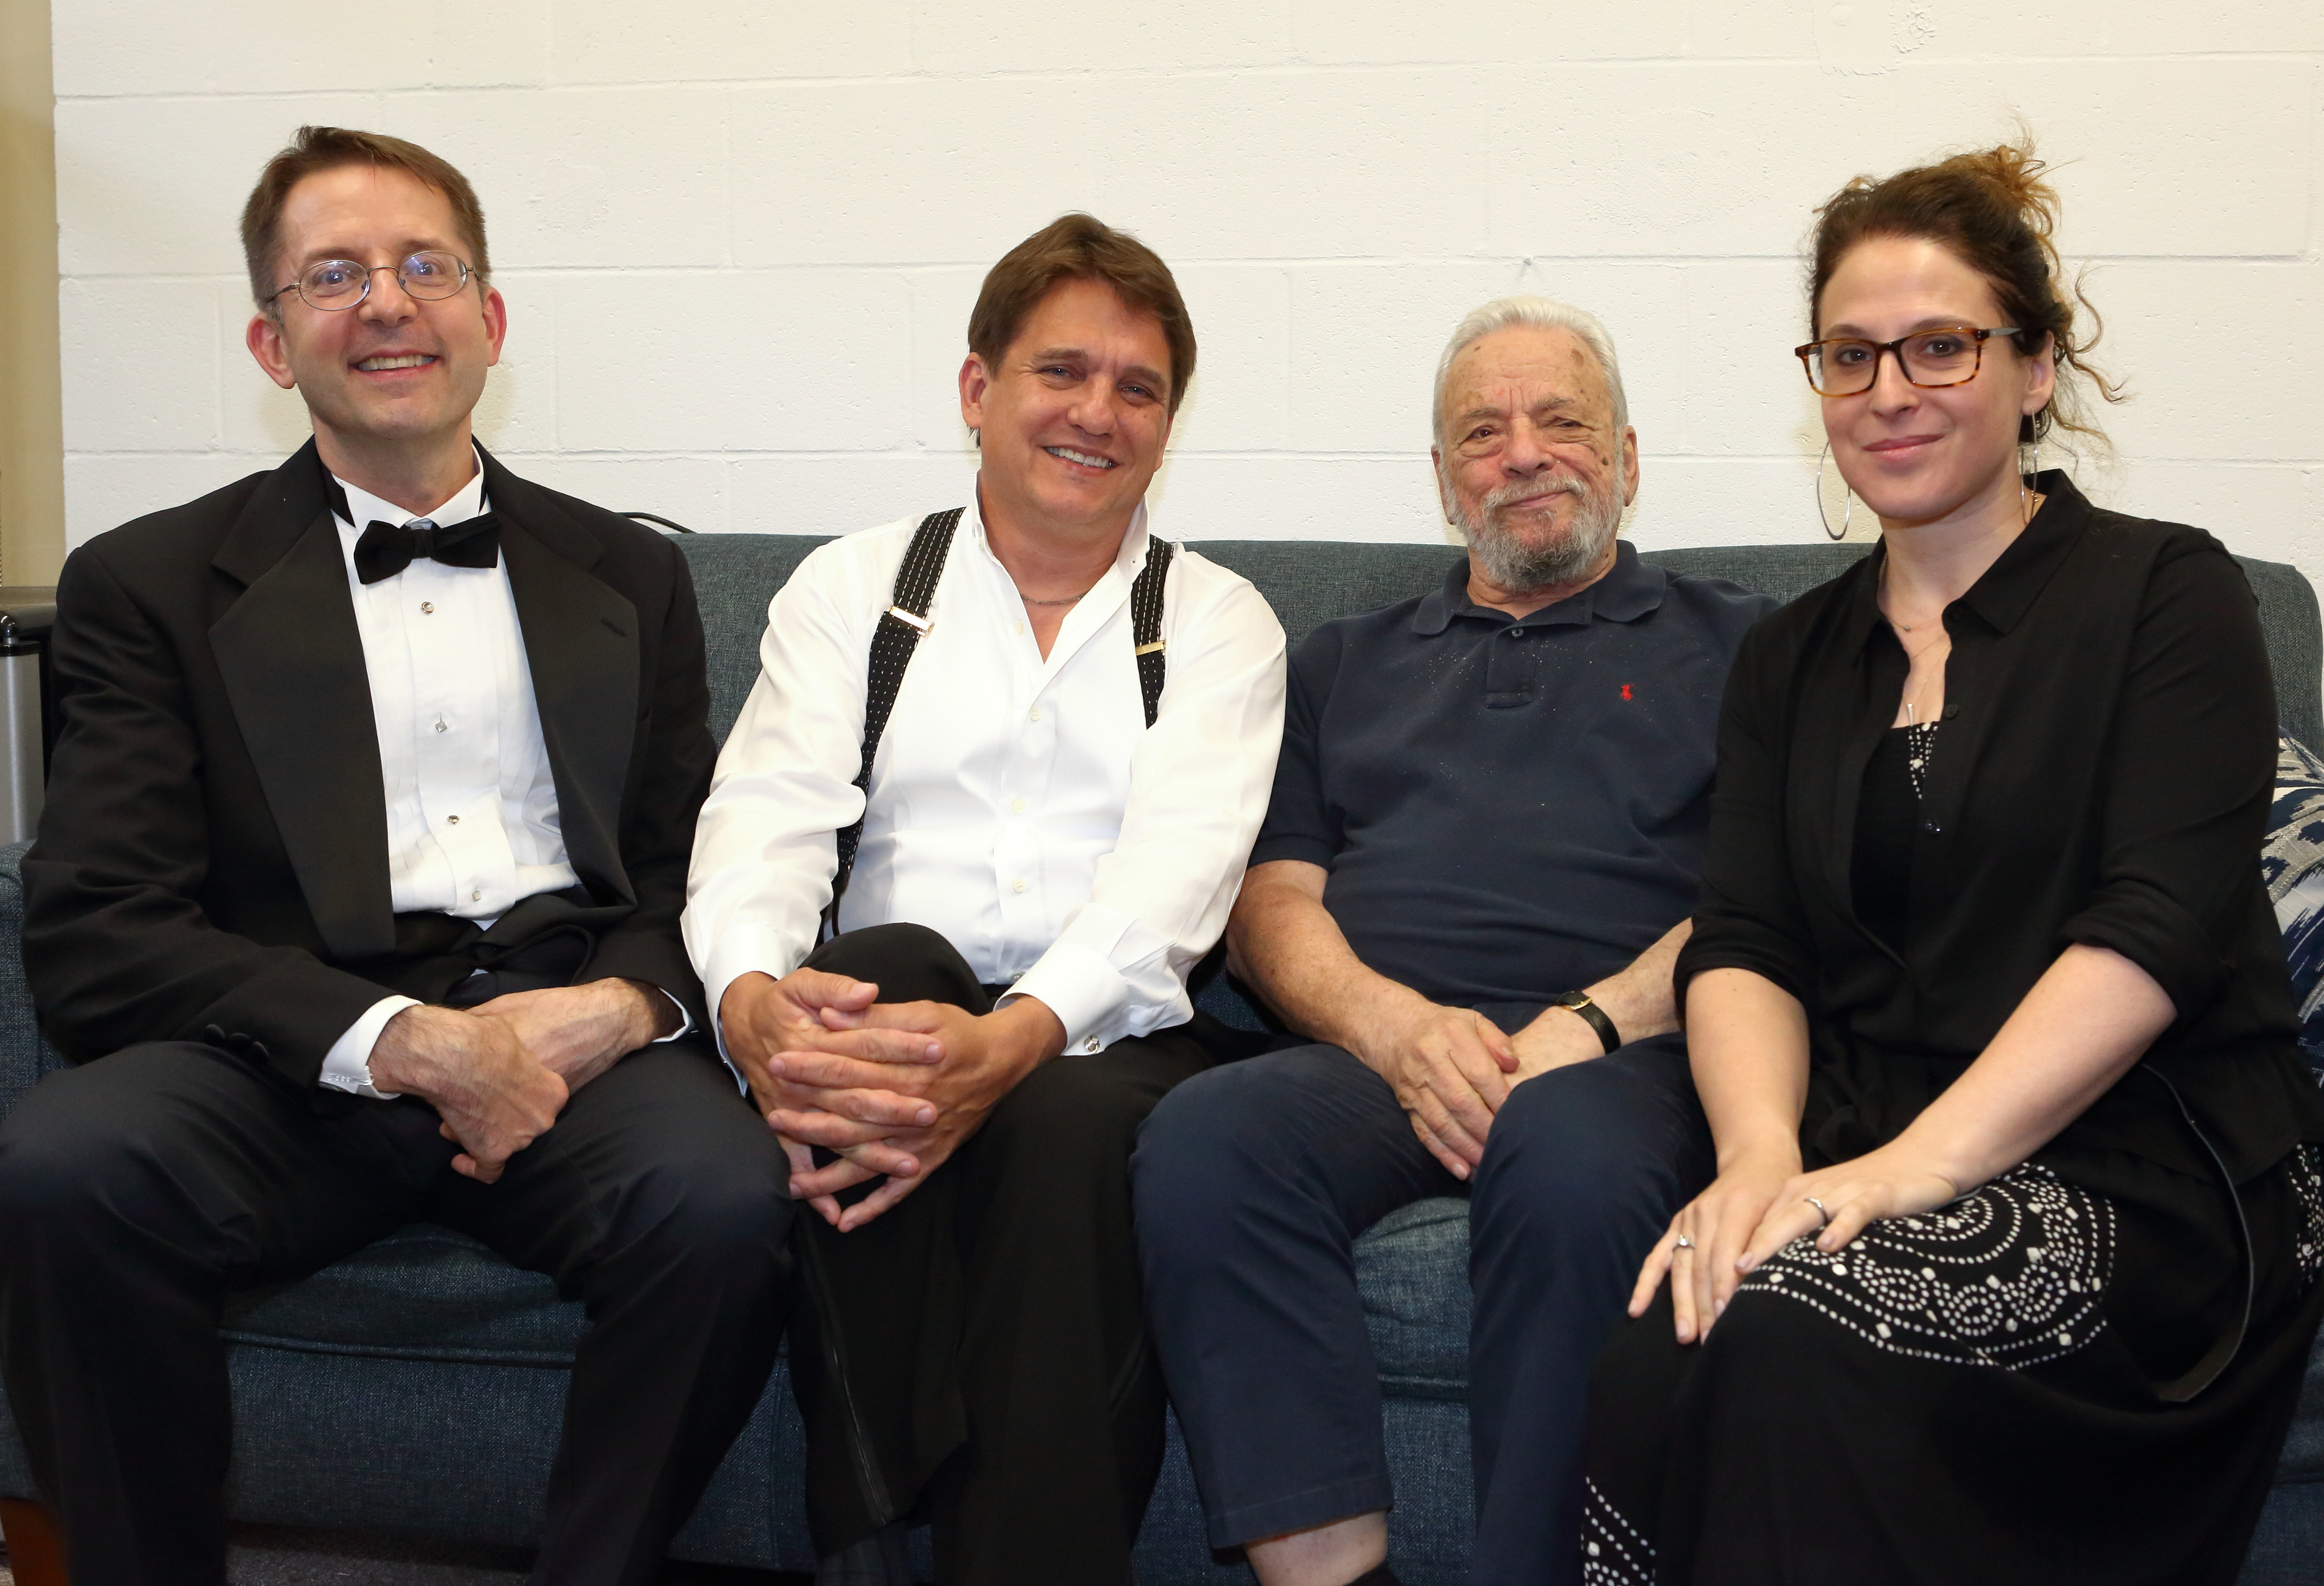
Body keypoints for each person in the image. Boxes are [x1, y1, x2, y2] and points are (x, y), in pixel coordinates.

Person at [0, 127, 791, 1586]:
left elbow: (702, 864)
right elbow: (97, 924)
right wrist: (402, 1041)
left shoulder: (629, 574)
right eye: (334, 274)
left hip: (569, 1038)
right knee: (61, 1166)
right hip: (292, 1050)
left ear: (489, 320)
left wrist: (618, 1010)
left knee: (725, 1200)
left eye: (426, 266)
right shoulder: (149, 584)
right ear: (272, 338)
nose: (386, 301)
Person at [1580, 141, 2324, 1586]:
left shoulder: (2170, 594)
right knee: (1672, 1315)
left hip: (2157, 1162)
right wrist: (1758, 1162)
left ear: (2034, 366)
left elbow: (2155, 928)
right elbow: (1742, 937)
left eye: (1939, 345)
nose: (1888, 391)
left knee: (1791, 1323)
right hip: (1869, 1136)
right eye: (1848, 356)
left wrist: (1909, 1172)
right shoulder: (1789, 657)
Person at [1130, 296, 1777, 1586]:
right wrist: (1397, 1028)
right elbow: (1270, 904)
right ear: (1442, 481)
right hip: (1385, 1054)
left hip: (1628, 1057)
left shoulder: (1746, 643)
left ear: (1630, 457)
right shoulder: (1340, 660)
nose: (1522, 452)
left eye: (1561, 421)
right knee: (1203, 1138)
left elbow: (1769, 892)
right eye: (1481, 431)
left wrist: (1584, 1027)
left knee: (1564, 1151)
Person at [683, 212, 1286, 1586]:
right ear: (977, 390)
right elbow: (765, 823)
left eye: (1137, 389)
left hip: (1118, 1038)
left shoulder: (1214, 620)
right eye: (1059, 372)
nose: (1096, 412)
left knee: (1061, 1120)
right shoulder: (855, 591)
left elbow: (1176, 884)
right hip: (886, 1018)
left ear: (1169, 422)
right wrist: (755, 1006)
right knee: (881, 976)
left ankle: (935, 1540)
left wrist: (1013, 1041)